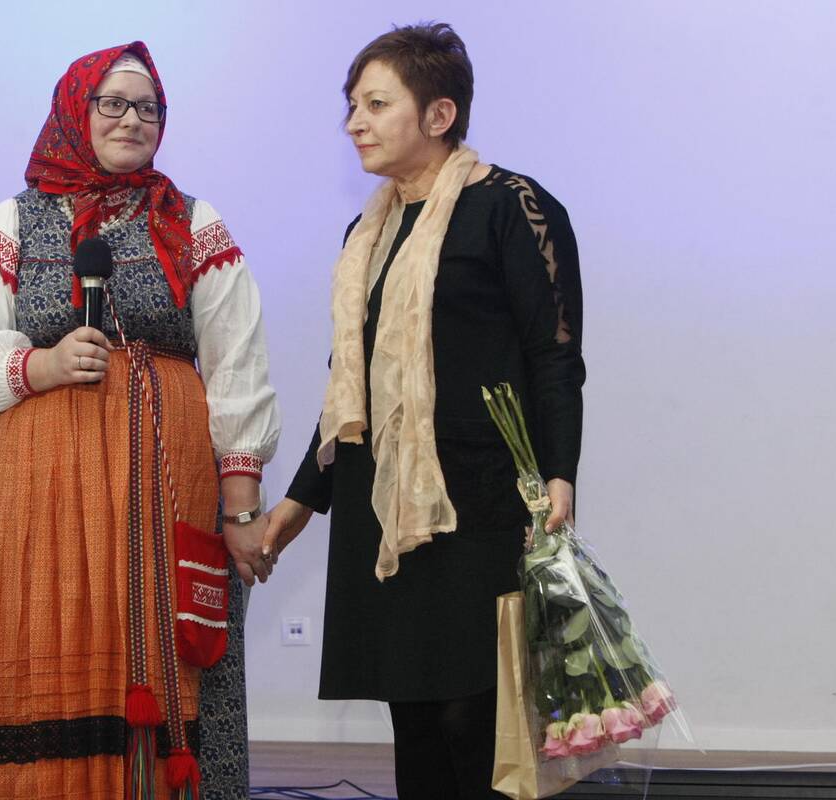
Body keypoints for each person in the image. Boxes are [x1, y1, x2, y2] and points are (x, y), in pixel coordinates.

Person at [0, 41, 280, 800]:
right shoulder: (15, 220)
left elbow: (236, 361)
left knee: (169, 650)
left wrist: (242, 505)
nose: (132, 120)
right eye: (112, 103)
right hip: (43, 484)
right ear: (74, 112)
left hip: (168, 478)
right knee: (45, 632)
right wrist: (39, 366)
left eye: (148, 108)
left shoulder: (193, 222)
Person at [262, 23, 585, 799]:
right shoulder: (366, 233)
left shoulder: (513, 207)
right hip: (381, 502)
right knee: (413, 717)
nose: (354, 123)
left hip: (479, 498)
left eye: (375, 104)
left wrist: (559, 475)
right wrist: (297, 505)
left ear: (438, 115)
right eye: (350, 106)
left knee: (474, 715)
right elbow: (349, 392)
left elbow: (553, 355)